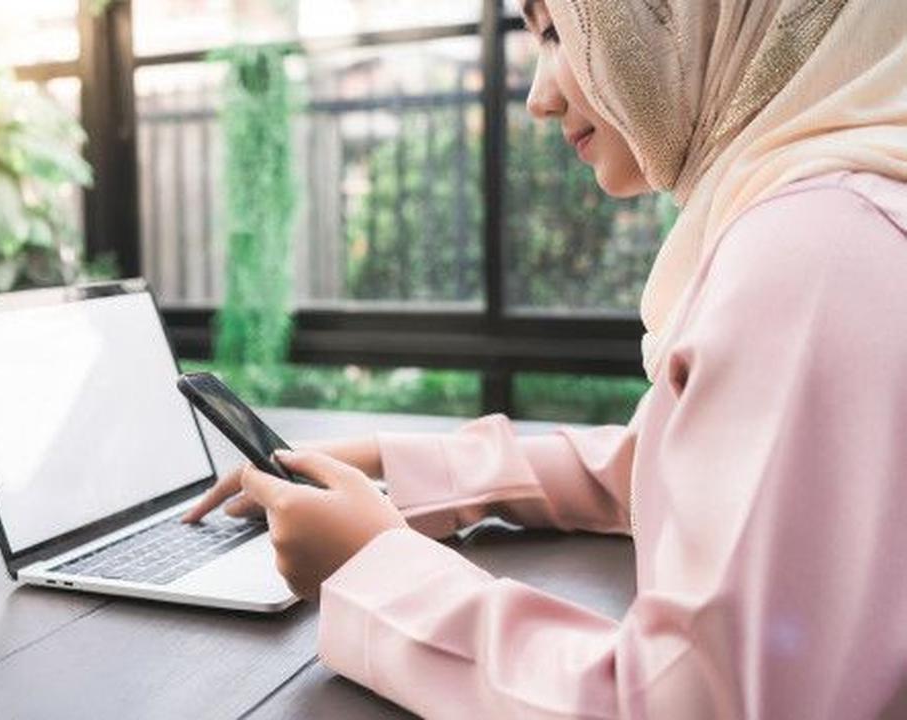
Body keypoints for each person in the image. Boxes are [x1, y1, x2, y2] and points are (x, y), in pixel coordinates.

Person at [185, 0, 907, 717]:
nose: (538, 97)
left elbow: (695, 705)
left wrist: (371, 570)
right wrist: (387, 463)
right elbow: (660, 466)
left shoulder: (814, 252)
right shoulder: (844, 211)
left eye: (560, 31)